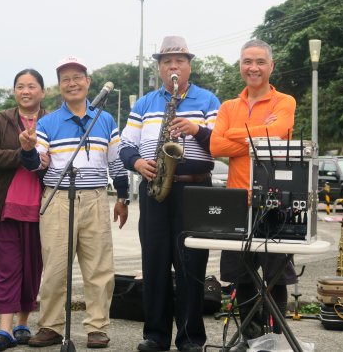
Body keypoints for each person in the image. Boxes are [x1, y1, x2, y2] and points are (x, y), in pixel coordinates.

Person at [19, 56, 129, 349]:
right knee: (55, 267)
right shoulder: (48, 122)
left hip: (95, 199)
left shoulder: (104, 119)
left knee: (99, 268)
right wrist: (28, 150)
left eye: (77, 77)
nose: (72, 83)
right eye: (65, 79)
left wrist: (123, 198)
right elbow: (36, 164)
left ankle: (97, 327)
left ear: (88, 82)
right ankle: (51, 326)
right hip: (58, 200)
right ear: (59, 86)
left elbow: (116, 163)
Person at [119, 36, 221, 352]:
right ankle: (156, 335)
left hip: (195, 188)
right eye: (166, 62)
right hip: (154, 188)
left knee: (192, 264)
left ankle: (191, 338)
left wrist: (195, 130)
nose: (173, 66)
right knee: (154, 263)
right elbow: (124, 145)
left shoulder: (208, 101)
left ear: (189, 65)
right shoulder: (145, 102)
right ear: (160, 68)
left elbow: (221, 144)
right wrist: (137, 162)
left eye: (179, 61)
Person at [209, 39, 297, 352]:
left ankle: (273, 343)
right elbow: (216, 147)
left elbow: (278, 134)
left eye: (260, 61)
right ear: (240, 66)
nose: (253, 67)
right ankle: (250, 340)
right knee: (239, 275)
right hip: (236, 203)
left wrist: (239, 134)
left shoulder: (285, 101)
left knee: (276, 277)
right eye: (248, 61)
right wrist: (258, 129)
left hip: (274, 203)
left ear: (271, 66)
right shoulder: (227, 107)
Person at [0, 69, 48, 351]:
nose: (26, 91)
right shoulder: (2, 120)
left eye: (32, 86)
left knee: (32, 270)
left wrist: (38, 157)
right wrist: (23, 154)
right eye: (20, 86)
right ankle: (4, 330)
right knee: (7, 269)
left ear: (42, 92)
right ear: (14, 92)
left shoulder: (52, 121)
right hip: (4, 209)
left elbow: (58, 160)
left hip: (40, 210)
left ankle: (23, 324)